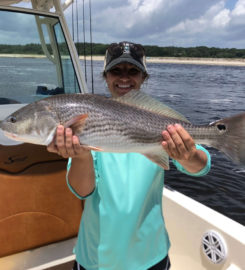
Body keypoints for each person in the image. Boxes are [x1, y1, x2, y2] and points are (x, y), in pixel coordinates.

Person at [47, 41, 211, 270]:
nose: (124, 78)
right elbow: (82, 190)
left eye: (133, 71)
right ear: (105, 76)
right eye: (116, 70)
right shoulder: (87, 121)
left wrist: (186, 155)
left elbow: (200, 166)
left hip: (150, 255)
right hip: (95, 256)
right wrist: (81, 156)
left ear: (144, 77)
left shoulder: (158, 118)